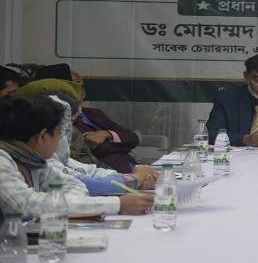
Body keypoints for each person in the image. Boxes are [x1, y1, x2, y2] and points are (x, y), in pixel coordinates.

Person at [0, 94, 153, 218]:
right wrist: (118, 205)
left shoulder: (34, 159)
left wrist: (65, 204)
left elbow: (75, 184)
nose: (61, 139)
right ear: (43, 136)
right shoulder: (3, 159)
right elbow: (27, 206)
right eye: (60, 132)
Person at [32, 64, 144, 173]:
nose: (79, 90)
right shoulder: (59, 121)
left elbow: (132, 138)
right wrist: (122, 144)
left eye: (80, 86)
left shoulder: (94, 113)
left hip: (130, 170)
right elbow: (97, 152)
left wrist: (107, 134)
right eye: (73, 85)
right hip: (115, 174)